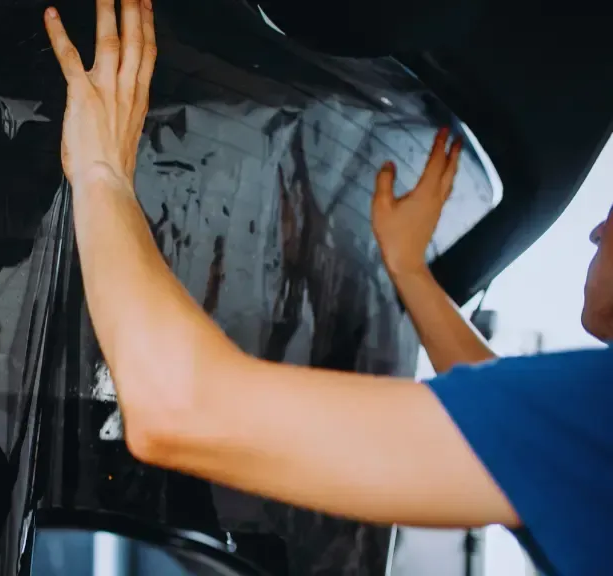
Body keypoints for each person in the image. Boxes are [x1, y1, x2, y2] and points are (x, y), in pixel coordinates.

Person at [41, 1, 612, 574]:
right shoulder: (587, 434)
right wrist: (407, 267)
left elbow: (179, 409)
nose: (597, 229)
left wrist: (102, 171)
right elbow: (515, 425)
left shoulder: (596, 418)